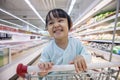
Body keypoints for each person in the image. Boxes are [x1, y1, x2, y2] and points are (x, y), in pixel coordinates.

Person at [38, 8, 91, 79]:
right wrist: (42, 70)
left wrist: (82, 57)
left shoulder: (77, 44)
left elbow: (88, 56)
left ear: (69, 25)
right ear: (47, 29)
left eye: (60, 20)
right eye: (51, 23)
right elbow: (40, 72)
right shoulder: (47, 50)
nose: (56, 25)